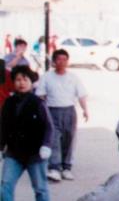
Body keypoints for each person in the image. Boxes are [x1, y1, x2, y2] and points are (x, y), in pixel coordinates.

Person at [0, 65, 53, 201]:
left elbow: (49, 127)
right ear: (13, 82)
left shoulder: (38, 103)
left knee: (40, 187)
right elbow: (2, 126)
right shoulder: (9, 102)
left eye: (25, 79)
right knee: (6, 184)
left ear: (31, 82)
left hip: (35, 153)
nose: (21, 83)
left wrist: (46, 146)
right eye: (17, 79)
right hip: (14, 153)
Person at [36, 49, 89, 182]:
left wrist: (85, 109)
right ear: (54, 61)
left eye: (64, 59)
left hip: (69, 111)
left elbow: (81, 95)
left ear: (67, 61)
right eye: (59, 59)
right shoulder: (47, 77)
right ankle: (54, 168)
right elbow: (40, 95)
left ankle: (66, 168)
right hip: (52, 111)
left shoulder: (73, 77)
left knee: (69, 139)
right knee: (54, 139)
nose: (62, 62)